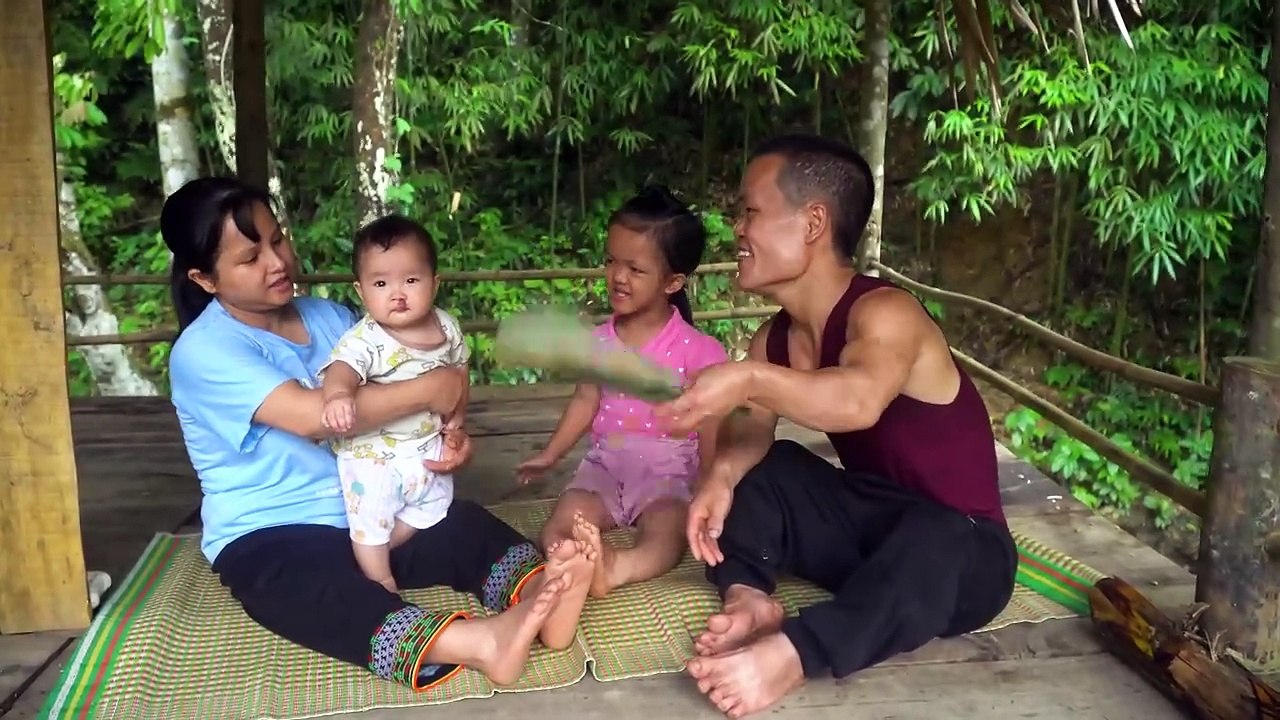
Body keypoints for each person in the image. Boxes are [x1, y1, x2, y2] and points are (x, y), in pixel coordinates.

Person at [164, 177, 594, 694]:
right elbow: (312, 415)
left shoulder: (330, 317)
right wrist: (434, 385)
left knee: (463, 524)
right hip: (274, 530)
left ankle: (547, 594)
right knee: (311, 592)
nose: (277, 262)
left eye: (278, 241)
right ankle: (481, 643)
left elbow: (404, 397)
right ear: (204, 279)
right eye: (250, 257)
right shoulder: (203, 350)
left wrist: (448, 432)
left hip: (375, 506)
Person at [652, 135, 1017, 718]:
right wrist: (721, 476)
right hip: (872, 533)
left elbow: (857, 401)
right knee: (764, 471)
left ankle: (796, 652)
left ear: (814, 222)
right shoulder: (773, 339)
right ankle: (749, 598)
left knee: (940, 534)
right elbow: (753, 435)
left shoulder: (886, 312)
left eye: (750, 212)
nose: (737, 231)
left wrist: (748, 379)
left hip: (961, 560)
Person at [515, 185, 728, 598]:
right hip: (606, 466)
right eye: (611, 261)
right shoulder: (599, 341)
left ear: (673, 282)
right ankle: (569, 561)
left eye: (635, 268)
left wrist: (709, 478)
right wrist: (551, 454)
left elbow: (711, 422)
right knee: (565, 517)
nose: (617, 276)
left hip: (668, 475)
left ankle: (616, 567)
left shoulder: (699, 350)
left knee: (668, 530)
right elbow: (585, 400)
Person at [319, 215, 473, 593]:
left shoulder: (447, 326)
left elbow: (460, 370)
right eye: (381, 283)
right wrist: (339, 395)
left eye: (411, 280)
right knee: (370, 517)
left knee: (436, 501)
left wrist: (457, 421)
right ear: (361, 291)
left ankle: (378, 548)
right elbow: (342, 369)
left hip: (424, 445)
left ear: (434, 283)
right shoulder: (367, 339)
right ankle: (380, 580)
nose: (397, 293)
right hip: (373, 455)